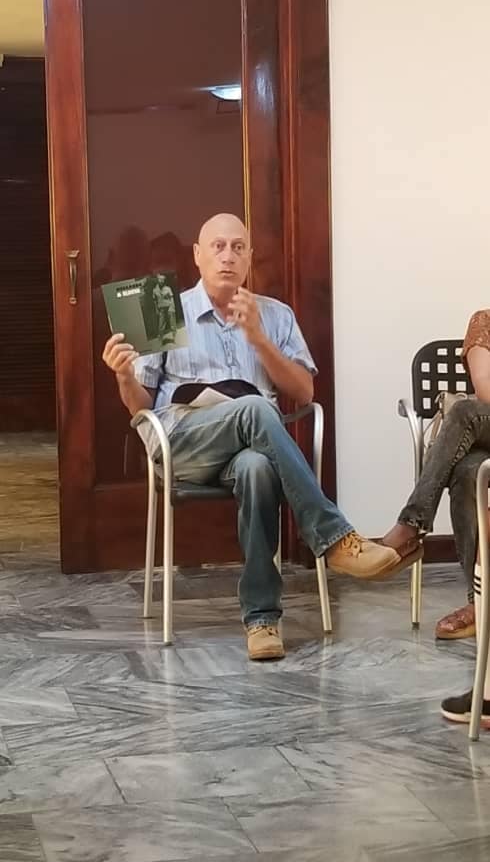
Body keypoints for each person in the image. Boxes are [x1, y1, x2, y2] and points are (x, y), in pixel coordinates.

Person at [103, 213, 398, 661]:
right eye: (218, 247)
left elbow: (304, 393)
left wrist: (259, 338)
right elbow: (139, 407)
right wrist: (125, 376)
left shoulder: (275, 315)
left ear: (250, 257)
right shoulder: (162, 308)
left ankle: (262, 620)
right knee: (257, 407)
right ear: (197, 256)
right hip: (184, 442)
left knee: (258, 467)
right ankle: (335, 539)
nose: (228, 256)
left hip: (247, 449)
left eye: (238, 247)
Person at [382, 309, 490, 722]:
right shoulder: (485, 322)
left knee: (462, 416)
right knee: (466, 472)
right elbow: (485, 389)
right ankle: (480, 601)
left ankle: (410, 526)